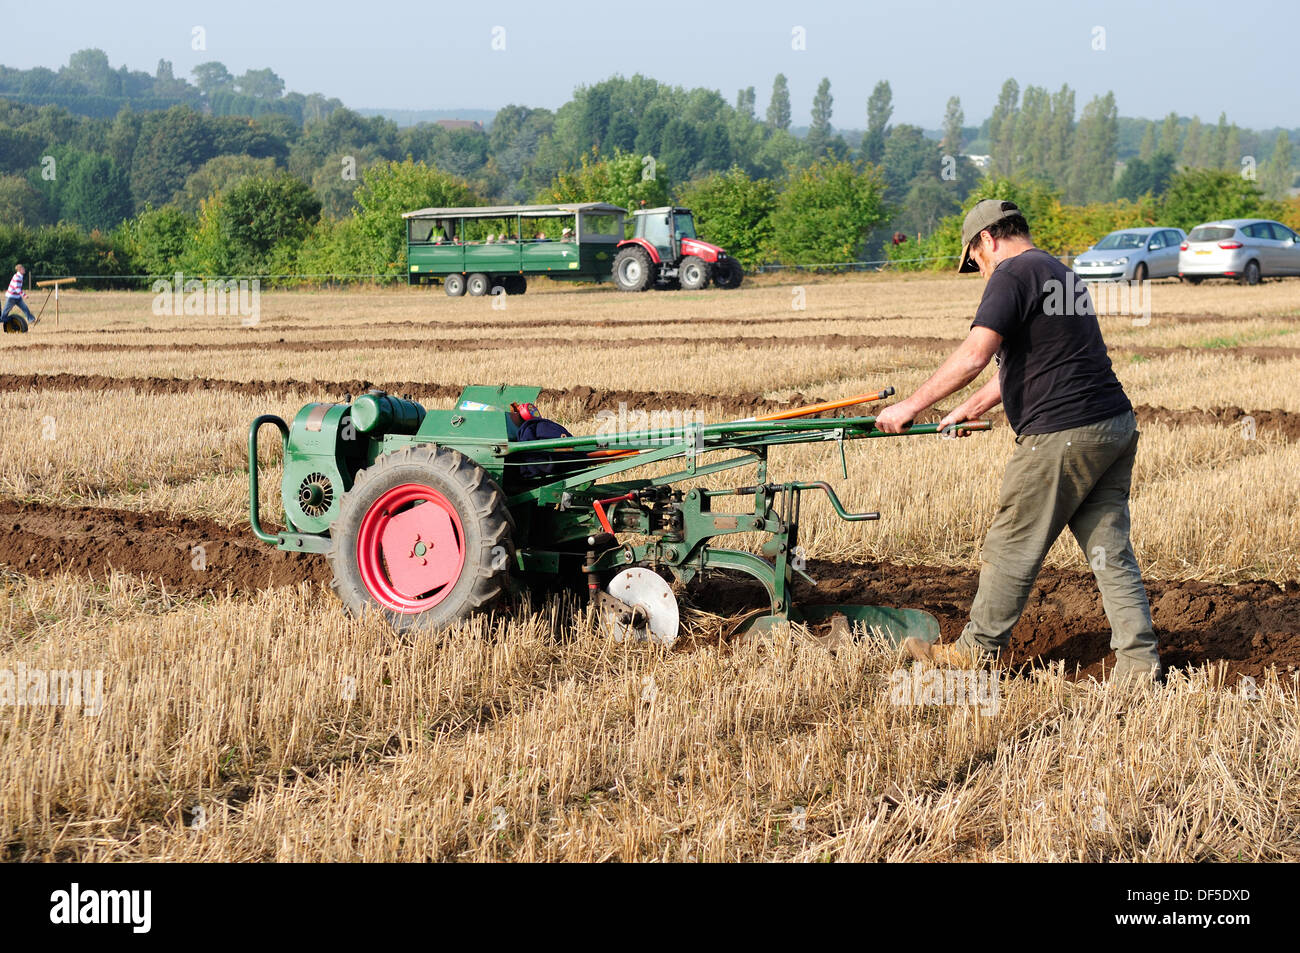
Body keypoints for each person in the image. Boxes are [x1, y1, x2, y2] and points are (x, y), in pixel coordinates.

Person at [874, 199, 1161, 684]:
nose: (979, 270)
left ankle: (975, 654)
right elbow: (1034, 362)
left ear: (987, 239)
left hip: (1062, 435)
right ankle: (1138, 664)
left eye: (975, 260)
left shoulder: (1010, 273)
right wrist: (972, 406)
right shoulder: (1058, 271)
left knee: (1011, 544)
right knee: (1109, 552)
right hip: (1111, 424)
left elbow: (974, 356)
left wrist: (909, 406)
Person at [2, 264, 37, 328]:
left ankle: (31, 319)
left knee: (25, 308)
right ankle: (5, 320)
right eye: (23, 269)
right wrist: (24, 295)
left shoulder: (20, 276)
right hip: (11, 297)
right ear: (20, 270)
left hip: (17, 297)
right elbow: (17, 288)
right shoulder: (17, 277)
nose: (24, 270)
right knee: (5, 313)